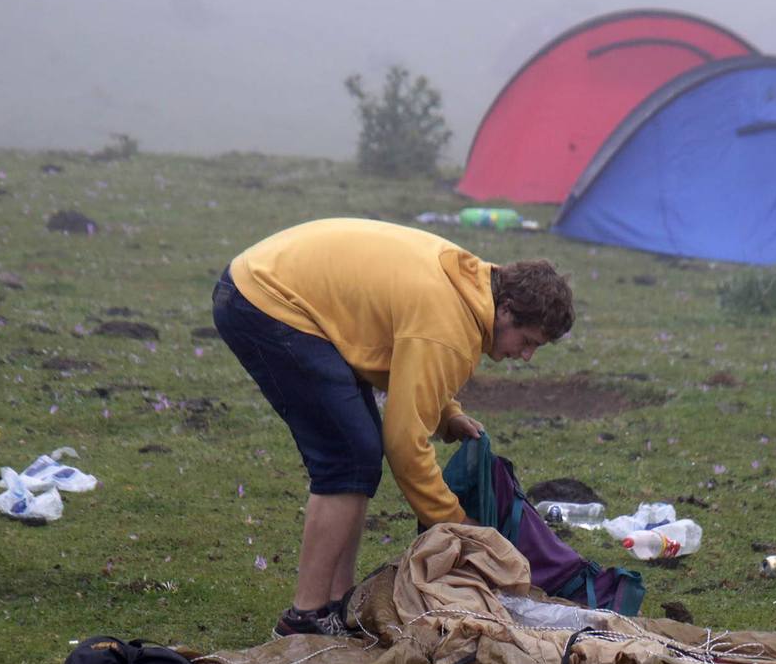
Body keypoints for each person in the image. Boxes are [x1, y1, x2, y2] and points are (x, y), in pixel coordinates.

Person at [211, 218, 574, 638]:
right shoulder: (449, 322)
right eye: (527, 341)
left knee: (358, 456)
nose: (526, 356)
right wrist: (454, 524)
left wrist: (445, 412)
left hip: (271, 283)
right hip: (267, 300)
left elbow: (406, 358)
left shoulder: (471, 288)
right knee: (347, 457)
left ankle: (337, 603)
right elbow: (404, 442)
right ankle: (304, 618)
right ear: (507, 309)